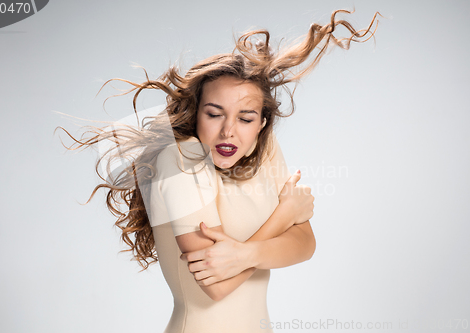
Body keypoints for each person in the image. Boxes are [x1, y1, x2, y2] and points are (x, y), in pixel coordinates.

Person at [57, 9, 380, 333]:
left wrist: (243, 253)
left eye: (245, 118)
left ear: (261, 123)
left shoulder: (262, 149)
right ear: (197, 113)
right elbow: (216, 284)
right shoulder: (179, 160)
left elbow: (305, 244)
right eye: (215, 114)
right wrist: (284, 214)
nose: (229, 131)